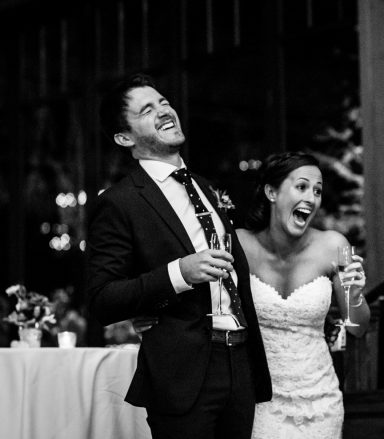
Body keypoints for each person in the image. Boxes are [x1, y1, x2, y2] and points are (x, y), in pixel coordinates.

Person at [86, 73, 272, 439]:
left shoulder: (204, 187)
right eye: (147, 110)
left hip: (240, 362)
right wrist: (178, 274)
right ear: (125, 138)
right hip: (184, 374)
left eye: (164, 102)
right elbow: (101, 298)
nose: (164, 110)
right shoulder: (120, 202)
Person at [236, 151, 370, 439]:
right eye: (302, 186)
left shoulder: (335, 245)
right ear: (272, 192)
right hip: (260, 402)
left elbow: (358, 328)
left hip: (319, 402)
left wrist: (355, 294)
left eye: (317, 190)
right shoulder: (239, 245)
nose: (311, 197)